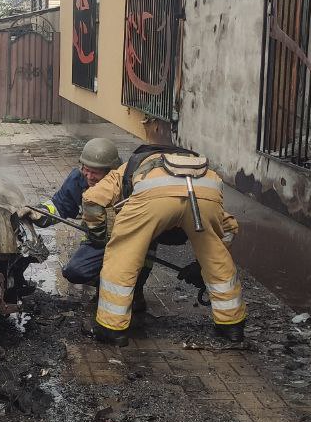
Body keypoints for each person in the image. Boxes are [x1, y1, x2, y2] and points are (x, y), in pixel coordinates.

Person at [80, 147, 245, 347]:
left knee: (122, 257)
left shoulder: (127, 168)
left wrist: (98, 234)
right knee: (217, 259)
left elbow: (92, 200)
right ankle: (232, 326)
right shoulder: (194, 168)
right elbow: (228, 229)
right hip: (206, 193)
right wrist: (200, 265)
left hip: (154, 199)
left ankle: (111, 328)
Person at [16, 138, 165, 310]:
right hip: (98, 240)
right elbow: (59, 205)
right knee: (74, 271)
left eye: (95, 172)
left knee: (131, 274)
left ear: (112, 171)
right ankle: (106, 287)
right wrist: (39, 213)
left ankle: (133, 292)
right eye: (86, 169)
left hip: (134, 242)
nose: (89, 176)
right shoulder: (79, 179)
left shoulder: (131, 184)